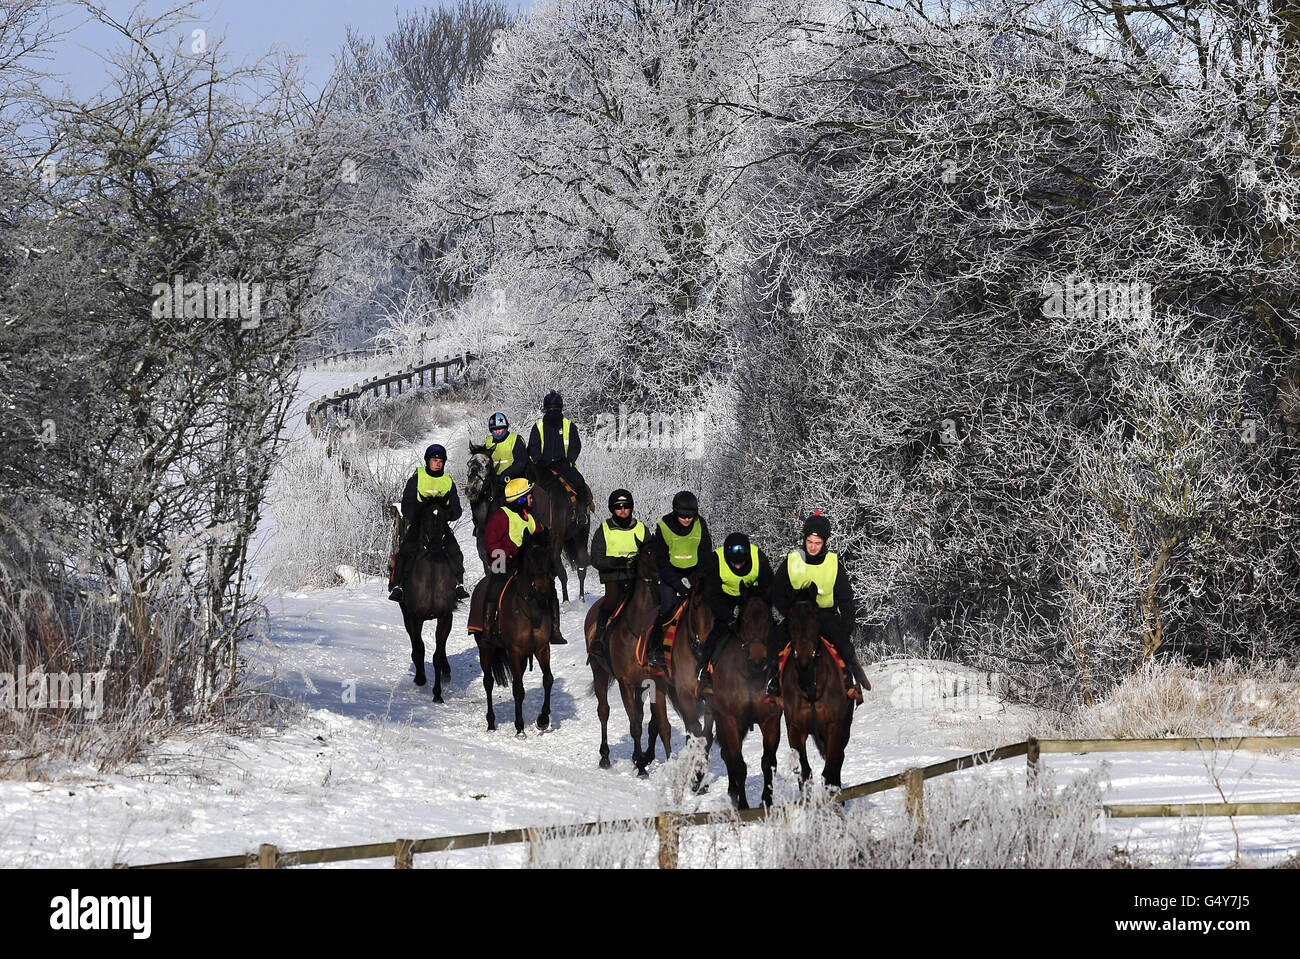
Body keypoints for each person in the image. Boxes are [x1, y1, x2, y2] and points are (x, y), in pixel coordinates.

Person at [770, 510, 870, 699]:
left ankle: (851, 678)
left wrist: (847, 625)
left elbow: (846, 597)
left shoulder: (833, 563)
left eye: (817, 543)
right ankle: (772, 681)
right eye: (809, 542)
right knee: (775, 641)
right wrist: (789, 613)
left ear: (825, 543)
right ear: (804, 539)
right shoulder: (792, 561)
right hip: (797, 616)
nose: (813, 547)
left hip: (824, 615)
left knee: (844, 645)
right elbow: (777, 591)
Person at [467, 477, 567, 645]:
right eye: (529, 496)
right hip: (503, 562)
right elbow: (491, 545)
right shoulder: (500, 517)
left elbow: (540, 540)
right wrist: (513, 552)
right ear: (520, 499)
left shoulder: (530, 518)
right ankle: (487, 628)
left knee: (549, 586)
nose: (532, 499)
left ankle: (555, 630)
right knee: (494, 588)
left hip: (526, 565)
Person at [694, 532, 774, 691]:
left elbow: (770, 587)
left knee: (767, 628)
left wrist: (763, 609)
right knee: (719, 629)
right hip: (724, 596)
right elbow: (712, 594)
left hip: (752, 595)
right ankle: (704, 668)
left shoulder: (758, 557)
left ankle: (774, 673)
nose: (737, 566)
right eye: (734, 563)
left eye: (741, 563)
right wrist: (728, 617)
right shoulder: (715, 560)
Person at [388, 444, 469, 602]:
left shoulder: (447, 481)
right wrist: (418, 518)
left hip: (441, 526)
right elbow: (407, 505)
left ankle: (459, 584)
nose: (438, 463)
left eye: (441, 460)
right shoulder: (417, 478)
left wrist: (446, 515)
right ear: (428, 461)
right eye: (434, 460)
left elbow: (457, 509)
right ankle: (398, 586)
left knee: (455, 550)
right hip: (419, 525)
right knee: (405, 550)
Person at [645, 490, 712, 668]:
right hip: (671, 574)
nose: (687, 519)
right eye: (683, 516)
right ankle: (656, 648)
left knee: (706, 607)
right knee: (667, 607)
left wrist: (699, 578)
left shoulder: (700, 524)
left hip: (694, 573)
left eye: (690, 516)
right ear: (675, 513)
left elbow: (706, 554)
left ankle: (708, 646)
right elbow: (661, 560)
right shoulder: (664, 527)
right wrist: (677, 583)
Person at [588, 488, 645, 663]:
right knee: (611, 600)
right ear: (613, 509)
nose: (622, 510)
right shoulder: (604, 529)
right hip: (613, 576)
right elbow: (596, 558)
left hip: (636, 577)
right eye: (618, 507)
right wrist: (614, 562)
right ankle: (598, 639)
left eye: (626, 506)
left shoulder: (642, 529)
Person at [526, 391, 591, 509]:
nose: (553, 412)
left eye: (556, 409)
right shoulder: (538, 426)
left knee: (580, 483)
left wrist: (568, 461)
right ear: (545, 410)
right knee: (525, 485)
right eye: (550, 409)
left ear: (561, 409)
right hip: (542, 467)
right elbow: (533, 446)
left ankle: (582, 515)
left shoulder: (569, 425)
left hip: (564, 466)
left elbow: (575, 446)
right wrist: (538, 460)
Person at [484, 411, 529, 483]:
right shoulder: (488, 442)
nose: (497, 432)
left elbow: (521, 462)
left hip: (515, 477)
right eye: (494, 429)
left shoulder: (515, 439)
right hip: (494, 479)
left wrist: (507, 474)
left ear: (505, 428)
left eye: (500, 429)